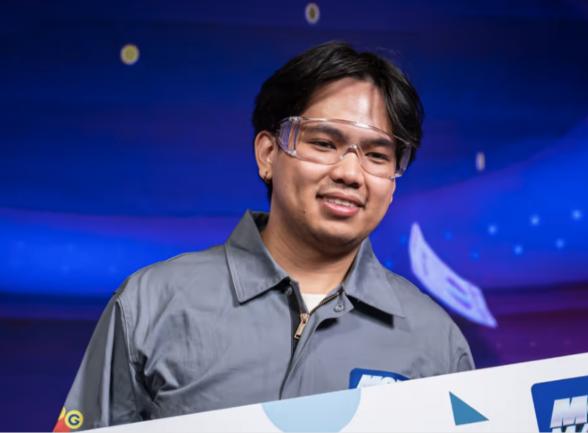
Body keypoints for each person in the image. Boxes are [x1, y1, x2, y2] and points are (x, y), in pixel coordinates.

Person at [54, 41, 474, 432]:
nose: (350, 173)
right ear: (268, 154)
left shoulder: (435, 340)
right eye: (324, 143)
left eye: (377, 155)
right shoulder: (152, 304)